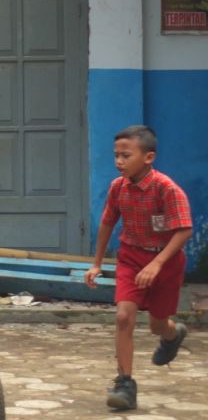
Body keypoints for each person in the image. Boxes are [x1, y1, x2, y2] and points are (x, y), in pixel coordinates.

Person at [84, 124, 192, 411]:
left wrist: (157, 264)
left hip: (165, 262)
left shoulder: (167, 189)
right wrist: (95, 264)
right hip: (131, 258)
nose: (119, 161)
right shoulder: (118, 187)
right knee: (123, 316)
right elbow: (107, 222)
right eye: (116, 155)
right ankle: (125, 383)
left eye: (126, 155)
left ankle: (173, 334)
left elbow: (184, 231)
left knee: (158, 323)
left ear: (148, 157)